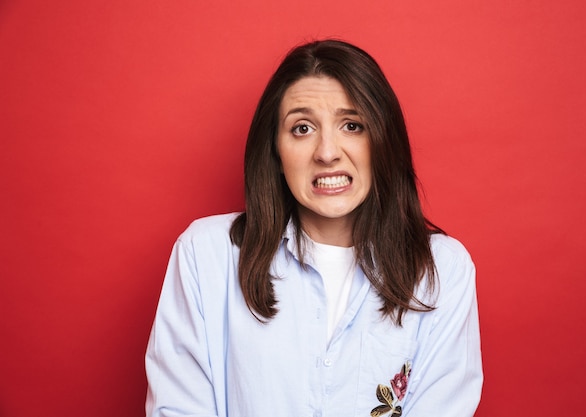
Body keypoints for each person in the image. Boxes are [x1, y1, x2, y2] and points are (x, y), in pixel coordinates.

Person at [145, 39, 482, 417]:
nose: (326, 152)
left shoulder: (442, 271)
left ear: (383, 141)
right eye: (302, 128)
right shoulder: (205, 254)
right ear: (274, 150)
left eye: (352, 125)